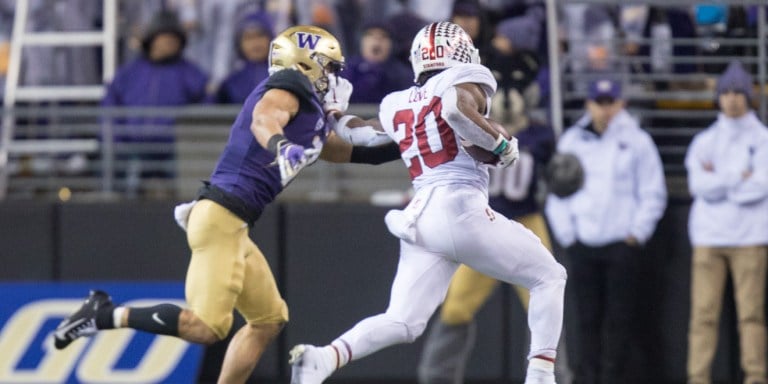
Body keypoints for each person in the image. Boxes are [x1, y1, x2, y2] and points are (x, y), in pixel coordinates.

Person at [53, 25, 397, 383]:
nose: (334, 76)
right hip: (222, 216)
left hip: (234, 223)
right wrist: (281, 146)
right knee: (205, 327)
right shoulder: (288, 86)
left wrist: (414, 142)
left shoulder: (310, 114)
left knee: (268, 320)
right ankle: (104, 313)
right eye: (328, 66)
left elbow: (359, 153)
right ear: (306, 62)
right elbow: (264, 118)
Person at [289, 21, 567, 384]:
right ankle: (542, 376)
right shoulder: (466, 79)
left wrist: (333, 113)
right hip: (460, 208)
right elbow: (454, 109)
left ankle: (323, 358)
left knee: (403, 320)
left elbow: (360, 134)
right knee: (549, 276)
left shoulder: (396, 101)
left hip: (422, 217)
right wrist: (501, 145)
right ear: (461, 53)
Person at [416, 21, 559, 382]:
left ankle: (555, 375)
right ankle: (437, 378)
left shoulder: (540, 135)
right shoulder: (472, 122)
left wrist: (565, 175)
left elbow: (558, 179)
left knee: (548, 297)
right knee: (457, 308)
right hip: (484, 221)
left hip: (526, 220)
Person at [545, 77, 667, 384]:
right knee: (586, 319)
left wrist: (637, 234)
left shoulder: (637, 141)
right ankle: (588, 378)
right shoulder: (572, 140)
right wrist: (568, 236)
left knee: (621, 319)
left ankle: (615, 378)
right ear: (588, 104)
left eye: (610, 102)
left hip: (620, 245)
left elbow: (653, 192)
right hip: (583, 243)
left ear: (621, 103)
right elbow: (558, 192)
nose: (605, 110)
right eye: (599, 103)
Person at [685, 60, 768, 384]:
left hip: (751, 238)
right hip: (709, 237)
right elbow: (698, 186)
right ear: (718, 96)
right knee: (703, 316)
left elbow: (760, 187)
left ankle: (756, 377)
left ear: (749, 96)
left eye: (739, 92)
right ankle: (698, 378)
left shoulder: (762, 139)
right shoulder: (704, 141)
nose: (732, 98)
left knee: (752, 316)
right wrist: (737, 176)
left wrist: (718, 179)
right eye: (727, 92)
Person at [101, 10, 208, 196]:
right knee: (125, 194)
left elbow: (206, 109)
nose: (169, 42)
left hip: (172, 151)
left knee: (182, 195)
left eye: (174, 38)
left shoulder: (191, 74)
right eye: (164, 36)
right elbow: (110, 107)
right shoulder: (128, 74)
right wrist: (117, 141)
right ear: (152, 38)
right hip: (132, 148)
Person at [340, 21, 412, 104]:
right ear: (360, 41)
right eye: (370, 34)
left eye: (384, 36)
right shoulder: (345, 71)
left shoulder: (403, 75)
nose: (377, 39)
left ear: (392, 45)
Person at [213, 11, 275, 104]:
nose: (255, 44)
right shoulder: (231, 83)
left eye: (260, 36)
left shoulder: (285, 77)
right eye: (248, 38)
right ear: (239, 43)